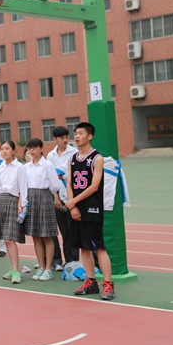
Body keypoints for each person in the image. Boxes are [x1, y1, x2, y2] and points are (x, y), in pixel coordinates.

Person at [67, 122, 114, 300]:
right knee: (84, 248)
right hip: (76, 209)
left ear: (90, 136)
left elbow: (94, 186)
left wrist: (73, 202)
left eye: (81, 133)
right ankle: (91, 282)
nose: (77, 136)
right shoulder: (72, 158)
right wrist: (72, 206)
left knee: (98, 247)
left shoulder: (97, 158)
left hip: (91, 209)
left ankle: (108, 284)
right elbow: (69, 183)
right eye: (76, 133)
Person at [21, 138, 61, 281]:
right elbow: (23, 186)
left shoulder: (47, 165)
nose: (31, 150)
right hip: (31, 199)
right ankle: (41, 266)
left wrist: (48, 194)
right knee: (36, 236)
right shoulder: (26, 167)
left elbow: (55, 185)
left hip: (44, 198)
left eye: (34, 147)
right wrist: (24, 203)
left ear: (41, 148)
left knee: (46, 235)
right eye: (29, 148)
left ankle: (48, 268)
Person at [0, 141, 26, 284]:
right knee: (5, 238)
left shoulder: (20, 167)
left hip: (13, 201)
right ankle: (13, 267)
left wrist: (22, 204)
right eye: (2, 149)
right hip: (1, 201)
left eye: (7, 149)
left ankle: (16, 270)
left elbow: (23, 187)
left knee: (10, 238)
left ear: (13, 151)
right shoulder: (0, 168)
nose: (4, 151)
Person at [47, 126, 80, 269]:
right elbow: (51, 178)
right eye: (62, 138)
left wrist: (62, 175)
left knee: (73, 231)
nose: (65, 140)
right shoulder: (51, 156)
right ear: (55, 139)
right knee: (63, 231)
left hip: (71, 197)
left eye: (67, 137)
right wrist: (56, 197)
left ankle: (74, 261)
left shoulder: (74, 152)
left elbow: (74, 173)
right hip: (57, 198)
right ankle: (65, 261)